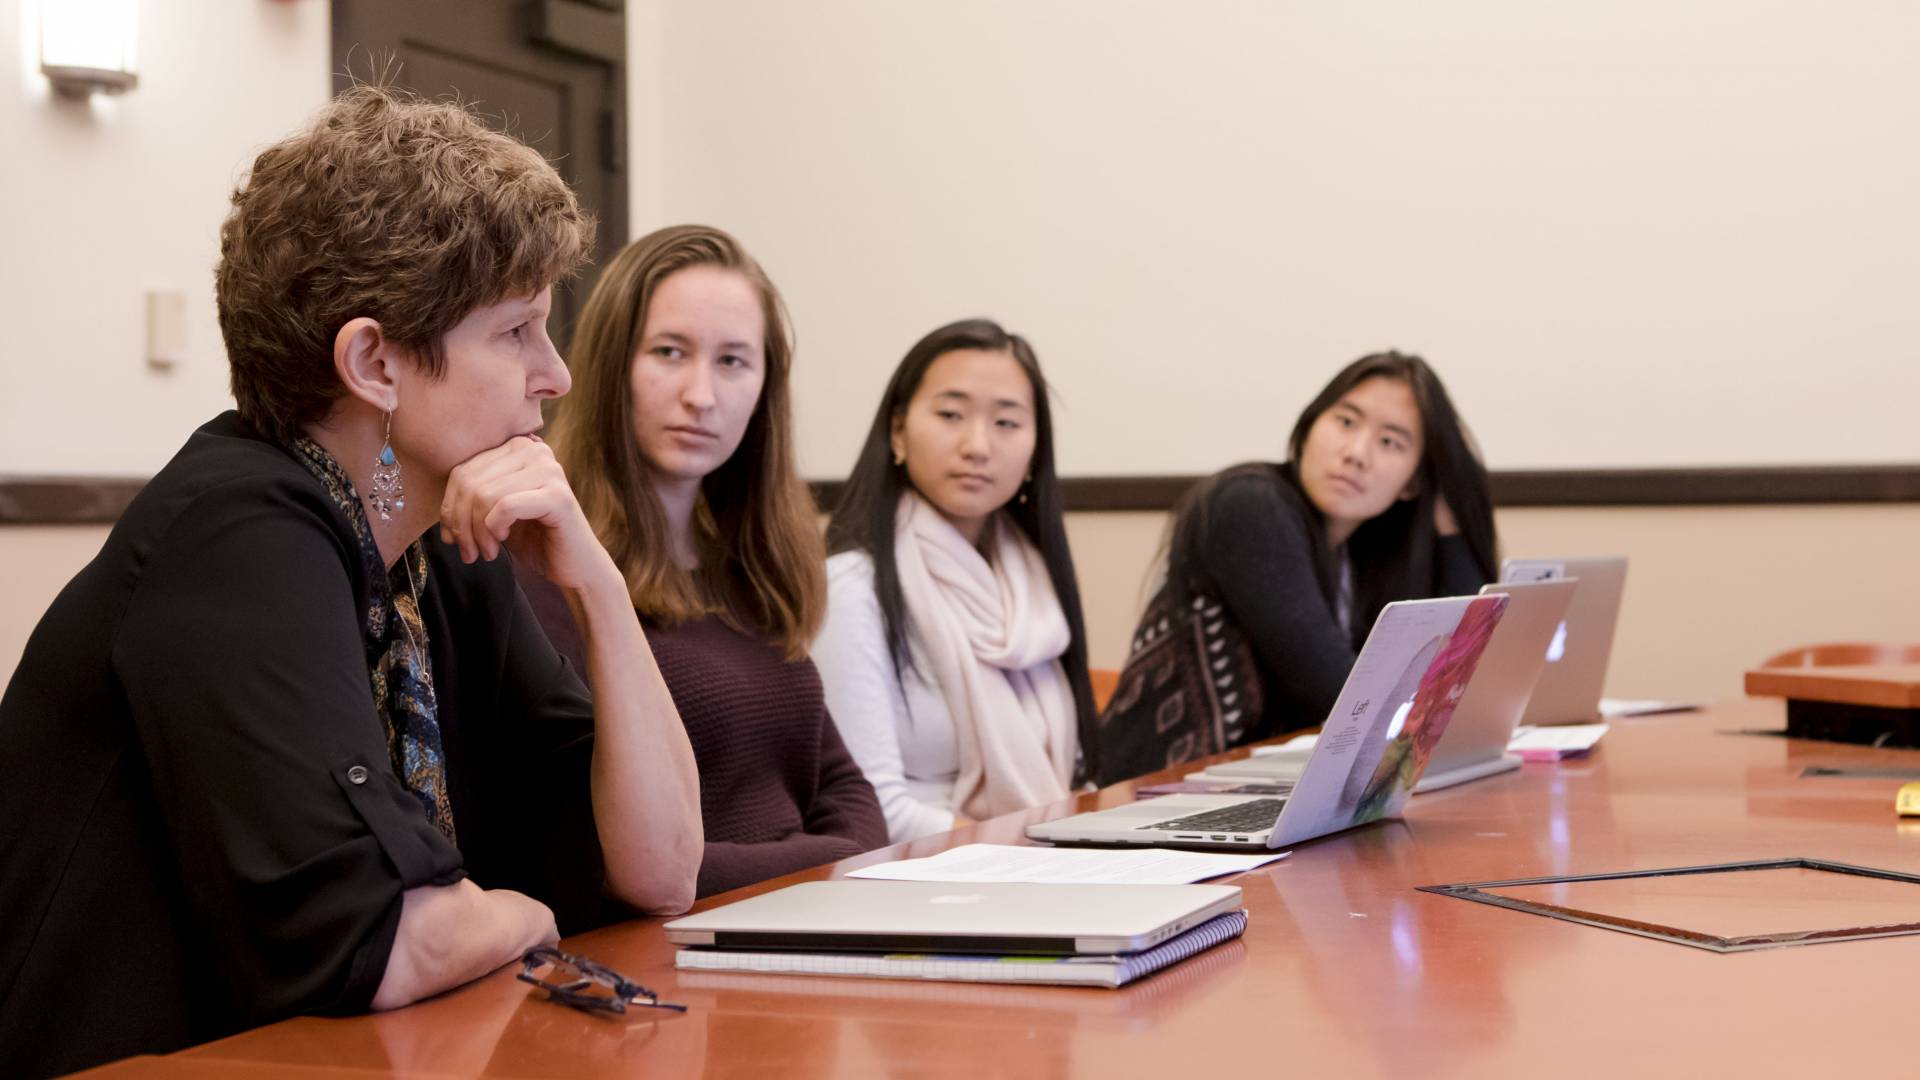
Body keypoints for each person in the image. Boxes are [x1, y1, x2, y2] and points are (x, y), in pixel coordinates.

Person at [0, 87, 703, 1079]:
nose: (558, 375)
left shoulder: (437, 546)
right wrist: (525, 913)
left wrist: (596, 589)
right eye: (516, 332)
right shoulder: (238, 531)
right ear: (374, 361)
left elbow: (662, 867)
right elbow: (384, 943)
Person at [529, 224, 886, 898]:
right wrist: (824, 862)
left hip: (798, 926)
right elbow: (607, 861)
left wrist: (827, 861)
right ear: (612, 366)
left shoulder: (746, 570)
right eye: (670, 352)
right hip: (661, 954)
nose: (702, 395)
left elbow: (852, 797)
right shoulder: (549, 569)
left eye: (733, 361)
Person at [1092, 351, 1498, 784]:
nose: (1356, 453)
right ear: (1310, 427)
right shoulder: (1249, 505)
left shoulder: (1364, 560)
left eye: (1390, 442)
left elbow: (1458, 686)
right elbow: (1346, 702)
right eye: (1345, 421)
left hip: (1247, 800)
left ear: (1413, 483)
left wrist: (1451, 521)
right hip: (1147, 797)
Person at [814, 319, 1097, 843]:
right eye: (950, 415)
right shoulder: (851, 590)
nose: (977, 446)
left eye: (1007, 423)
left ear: (1036, 450)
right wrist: (1031, 849)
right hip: (917, 884)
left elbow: (1078, 778)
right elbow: (872, 810)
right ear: (897, 432)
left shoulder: (1033, 592)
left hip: (1040, 864)